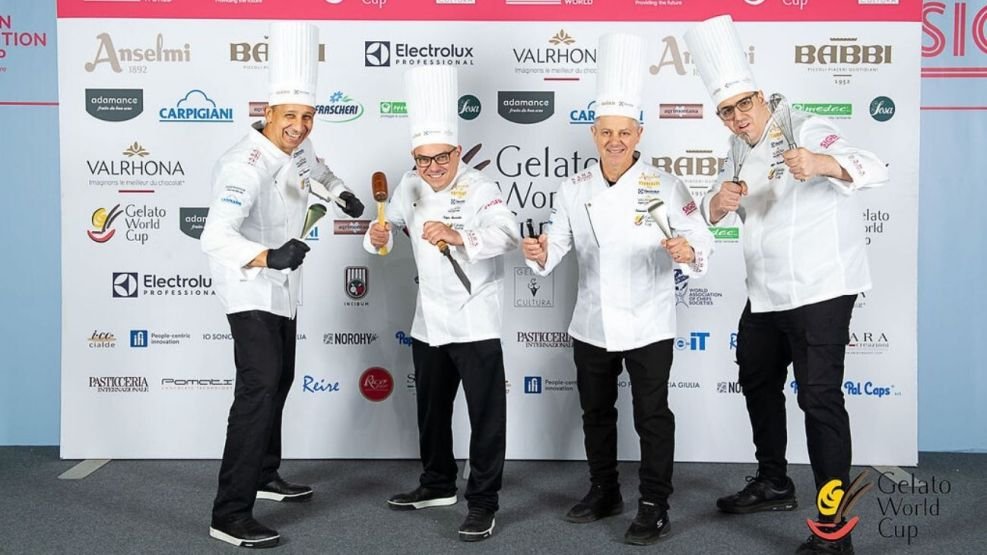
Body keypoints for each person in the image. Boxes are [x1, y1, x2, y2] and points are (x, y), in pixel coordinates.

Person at [684, 15, 889, 555]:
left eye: (743, 105)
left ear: (761, 96)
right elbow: (707, 211)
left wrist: (823, 163)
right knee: (756, 379)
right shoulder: (735, 149)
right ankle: (774, 481)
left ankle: (834, 529)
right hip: (766, 292)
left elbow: (874, 167)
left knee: (819, 400)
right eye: (726, 111)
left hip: (820, 288)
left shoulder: (808, 127)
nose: (736, 118)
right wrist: (716, 203)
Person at [521, 33, 714, 546]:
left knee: (652, 417)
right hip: (591, 321)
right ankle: (604, 490)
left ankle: (654, 504)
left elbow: (700, 238)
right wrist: (539, 252)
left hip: (649, 321)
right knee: (596, 413)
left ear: (638, 133)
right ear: (594, 133)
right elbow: (556, 246)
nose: (614, 140)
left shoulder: (666, 184)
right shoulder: (574, 188)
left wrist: (687, 251)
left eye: (624, 132)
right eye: (606, 131)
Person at [201, 22, 364, 549]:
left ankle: (265, 474)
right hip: (250, 288)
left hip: (284, 289)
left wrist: (341, 193)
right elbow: (214, 236)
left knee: (280, 380)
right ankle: (229, 513)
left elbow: (319, 170)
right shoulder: (242, 166)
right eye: (290, 116)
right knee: (257, 391)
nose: (299, 126)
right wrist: (269, 255)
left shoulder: (298, 145)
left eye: (307, 116)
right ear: (268, 112)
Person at [365, 65, 519, 542]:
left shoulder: (481, 188)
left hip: (474, 320)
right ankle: (436, 483)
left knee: (485, 419)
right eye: (423, 159)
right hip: (428, 320)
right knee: (432, 410)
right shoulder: (408, 184)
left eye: (441, 158)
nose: (432, 167)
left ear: (457, 151)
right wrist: (377, 237)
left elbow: (508, 234)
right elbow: (385, 234)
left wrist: (458, 235)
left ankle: (483, 503)